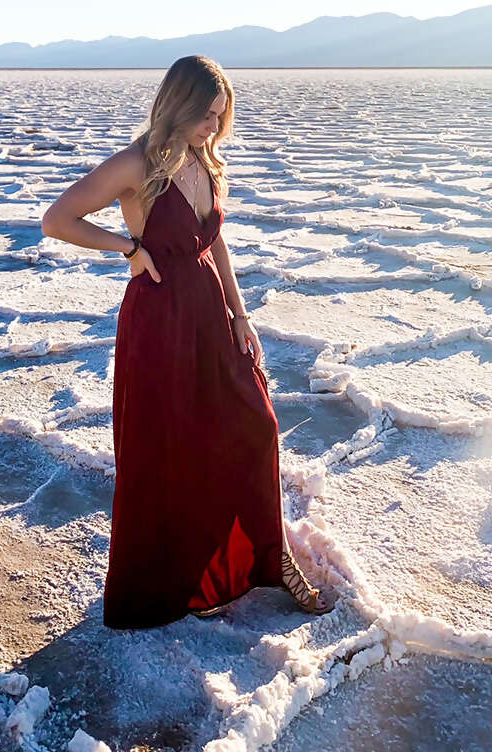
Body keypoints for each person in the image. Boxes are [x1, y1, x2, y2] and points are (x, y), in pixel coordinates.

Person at [42, 55, 333, 629]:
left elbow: (213, 242)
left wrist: (240, 315)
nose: (212, 127)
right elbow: (59, 219)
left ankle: (265, 561)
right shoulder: (137, 164)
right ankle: (163, 584)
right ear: (178, 104)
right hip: (159, 321)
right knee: (166, 447)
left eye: (220, 117)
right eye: (205, 115)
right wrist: (127, 249)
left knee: (256, 426)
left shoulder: (206, 160)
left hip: (210, 316)